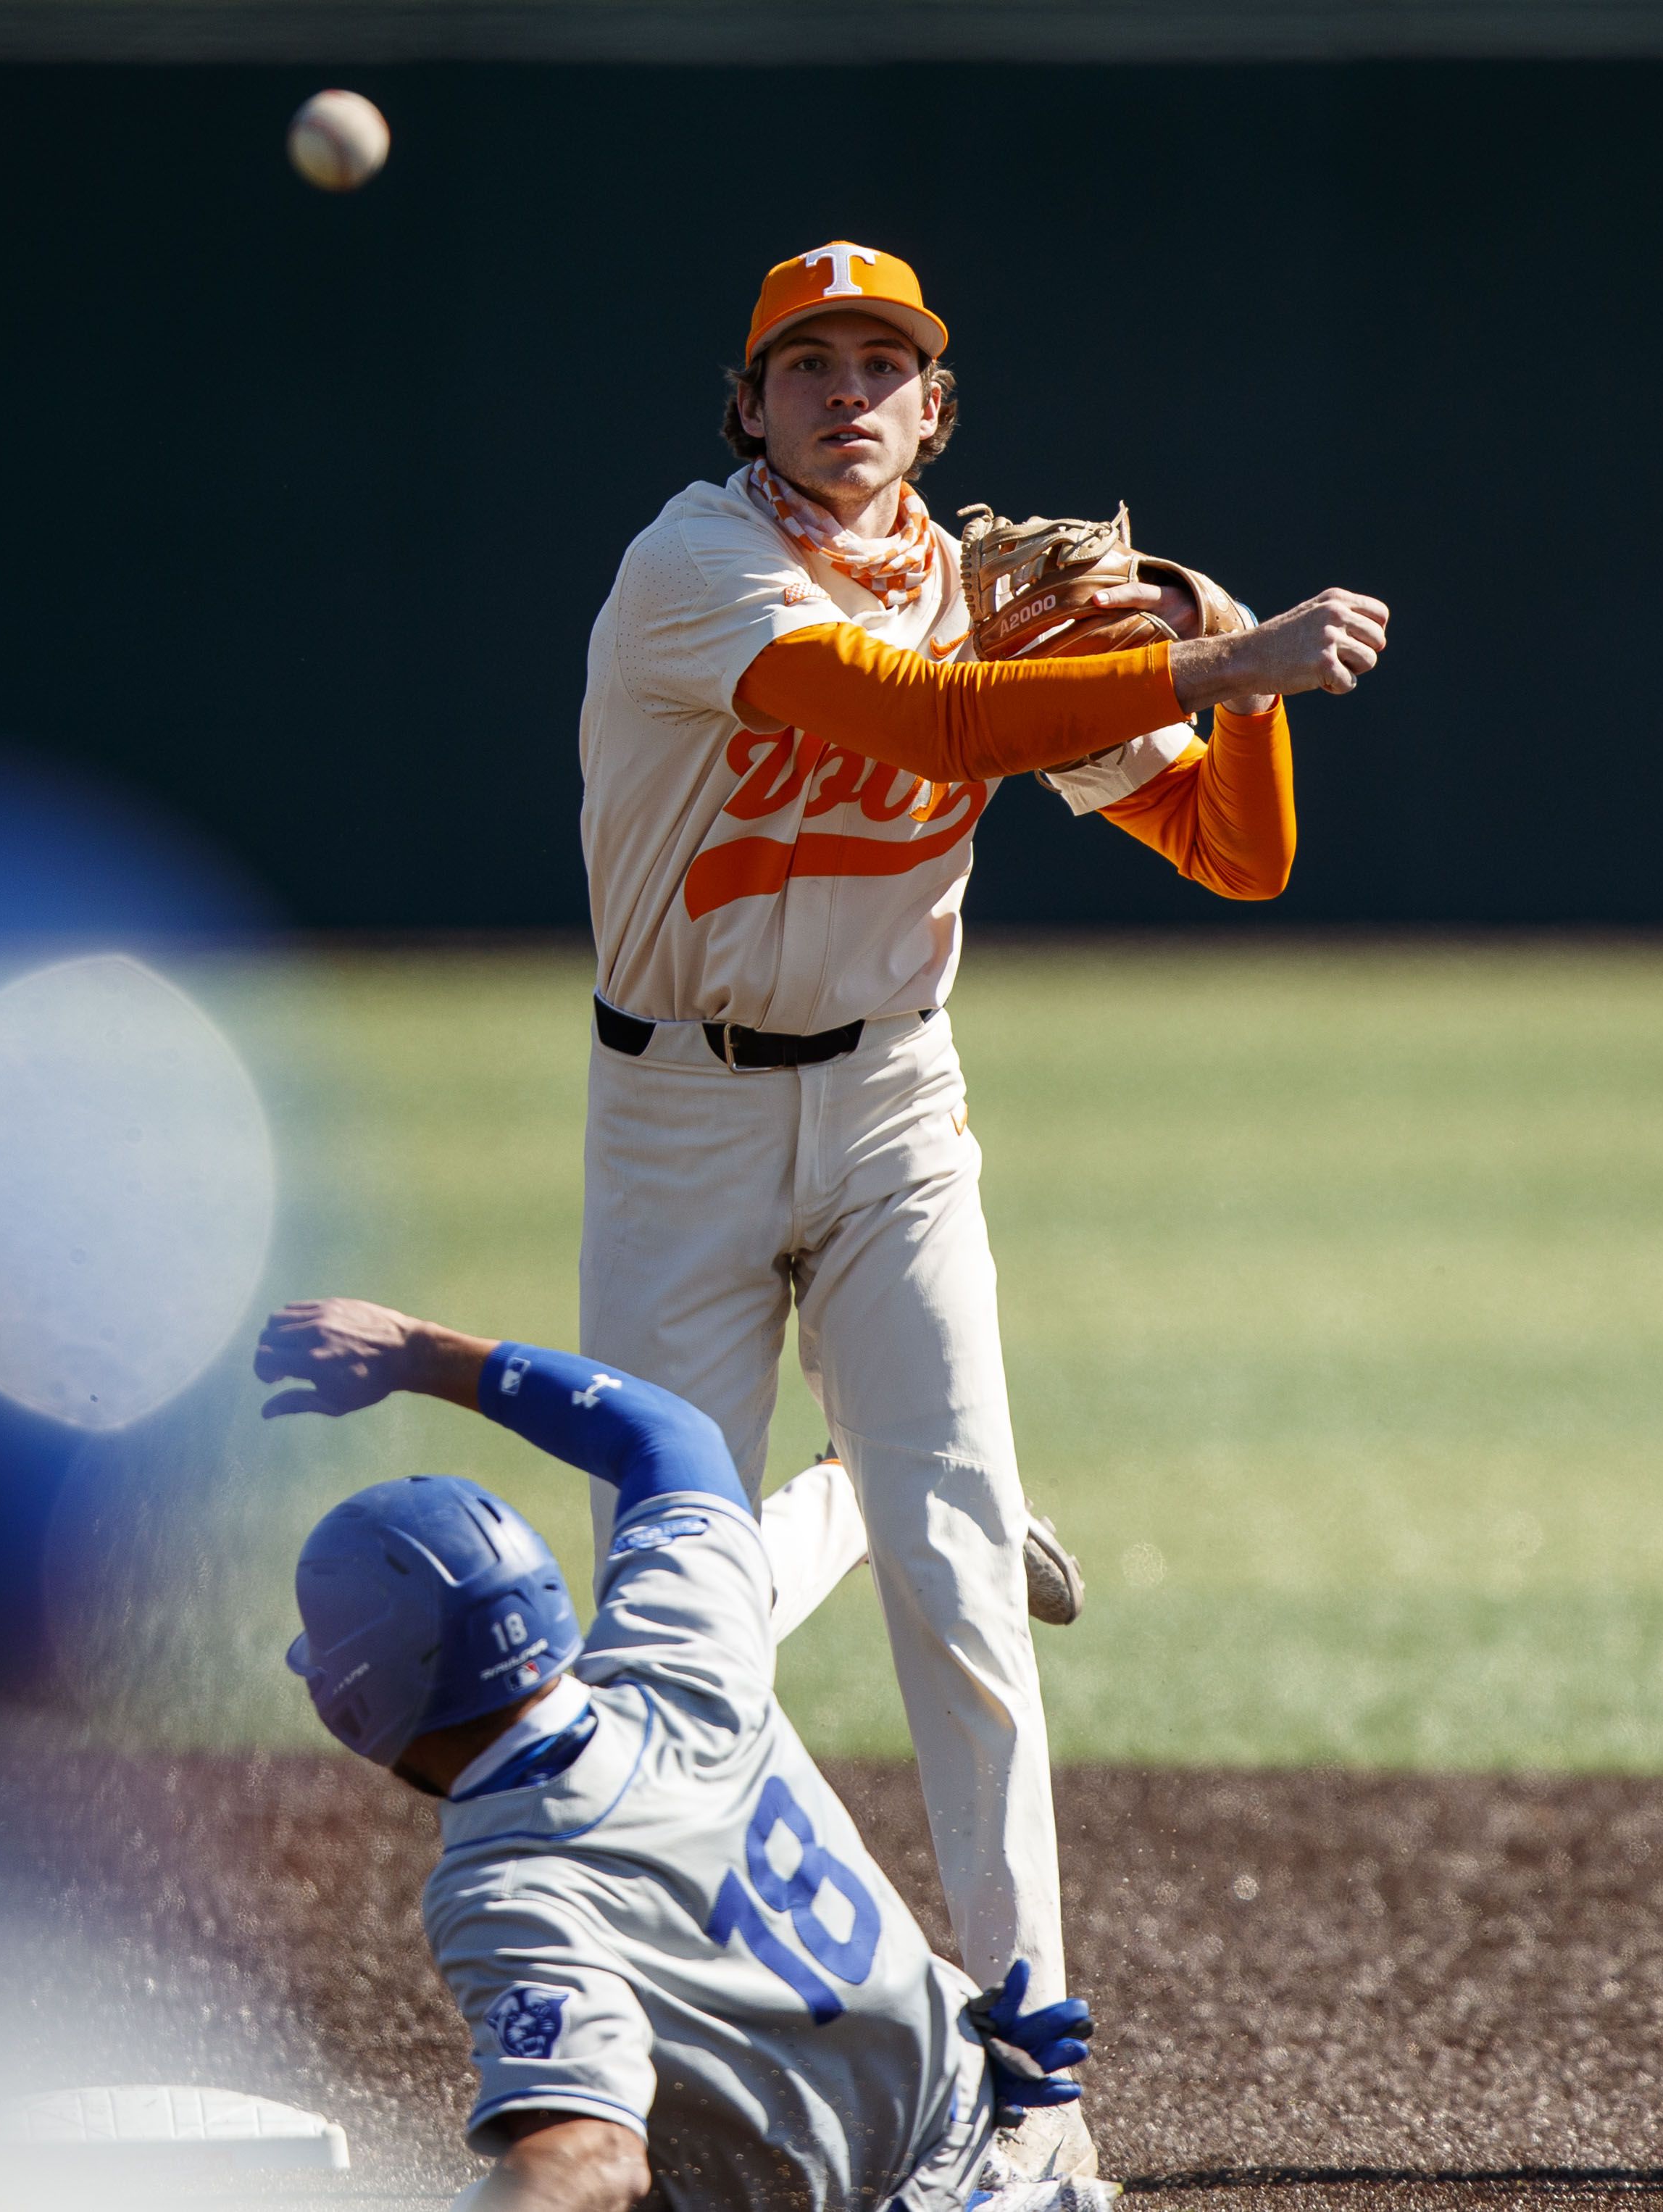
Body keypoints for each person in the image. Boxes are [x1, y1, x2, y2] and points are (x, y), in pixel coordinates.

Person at [570, 236, 1389, 2176]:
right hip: (670, 1128)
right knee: (668, 1631)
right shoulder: (694, 569)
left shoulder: (990, 604)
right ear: (748, 405)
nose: (849, 392)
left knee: (965, 1605)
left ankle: (1034, 2082)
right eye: (809, 364)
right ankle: (682, 2062)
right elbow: (915, 726)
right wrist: (1214, 660)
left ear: (938, 411)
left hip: (892, 1110)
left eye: (888, 364)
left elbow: (1238, 850)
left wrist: (1228, 665)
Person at [254, 1297, 1102, 2212]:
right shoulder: (678, 1644)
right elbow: (666, 1433)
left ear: (354, 1707)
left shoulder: (508, 1886)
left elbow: (594, 2158)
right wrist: (418, 1351)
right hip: (958, 2109)